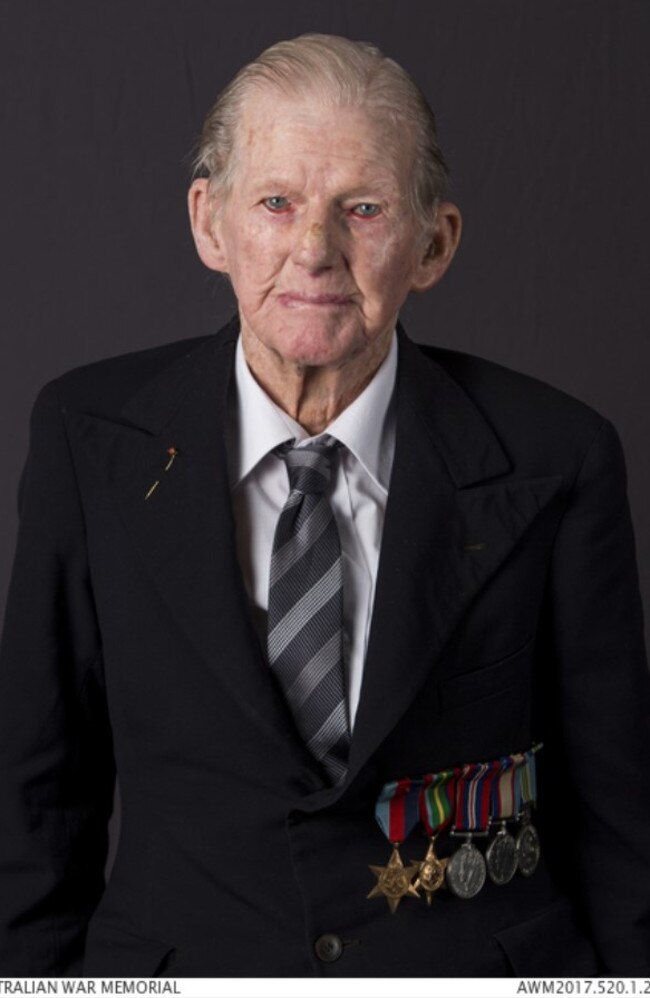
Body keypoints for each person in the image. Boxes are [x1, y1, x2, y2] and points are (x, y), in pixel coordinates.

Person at [0, 32, 648, 978]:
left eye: (365, 208)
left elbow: (619, 818)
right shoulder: (88, 438)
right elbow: (34, 799)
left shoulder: (559, 457)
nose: (315, 249)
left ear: (434, 243)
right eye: (276, 202)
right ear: (209, 224)